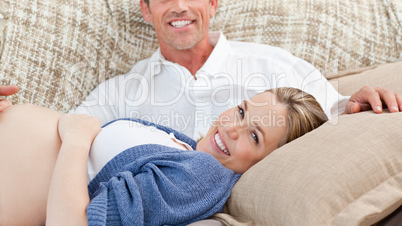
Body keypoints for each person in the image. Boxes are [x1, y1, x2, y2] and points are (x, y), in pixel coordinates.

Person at [64, 0, 402, 141]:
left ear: (212, 2)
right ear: (145, 9)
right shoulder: (125, 90)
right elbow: (64, 129)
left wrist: (358, 104)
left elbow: (330, 112)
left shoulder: (273, 66)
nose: (179, 6)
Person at [0, 87, 327, 225]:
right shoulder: (184, 147)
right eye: (241, 110)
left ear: (268, 161)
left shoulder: (201, 177)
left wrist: (75, 139)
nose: (231, 127)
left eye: (254, 136)